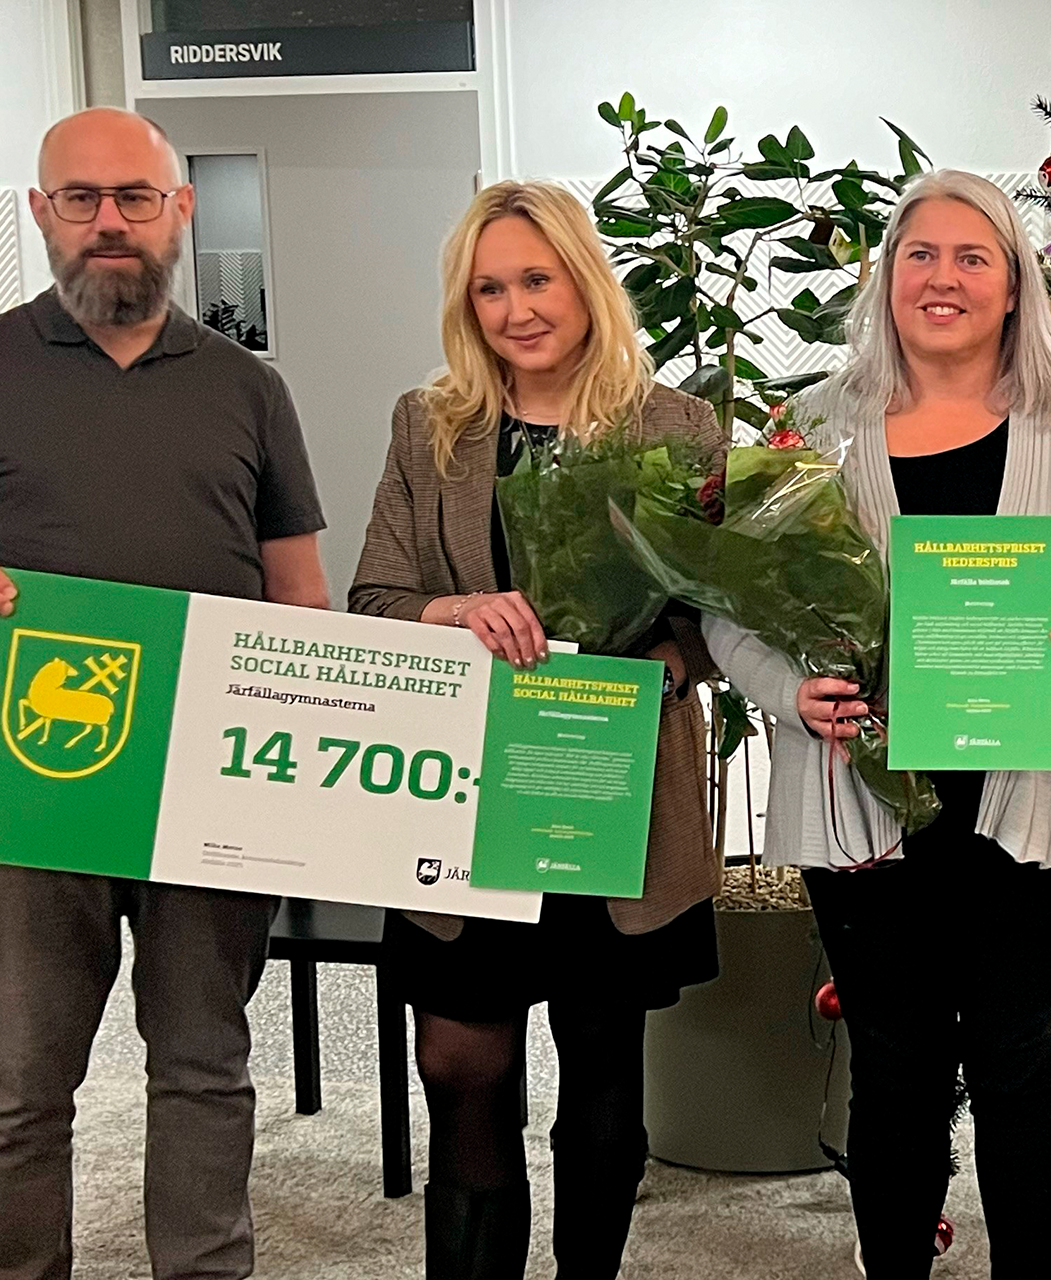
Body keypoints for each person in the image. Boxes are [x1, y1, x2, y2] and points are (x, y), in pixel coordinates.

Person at [703, 169, 1051, 1279]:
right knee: (895, 1067)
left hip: (1034, 798)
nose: (943, 278)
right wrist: (787, 692)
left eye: (974, 257)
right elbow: (727, 608)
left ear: (1014, 285)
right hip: (860, 797)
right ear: (887, 276)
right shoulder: (811, 430)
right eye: (920, 254)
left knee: (1020, 1063)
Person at [349, 180, 723, 1279]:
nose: (517, 309)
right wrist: (455, 610)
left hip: (611, 791)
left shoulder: (677, 427)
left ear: (584, 280)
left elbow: (718, 618)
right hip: (464, 800)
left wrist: (665, 669)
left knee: (602, 1065)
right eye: (490, 289)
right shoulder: (429, 427)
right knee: (459, 1067)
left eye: (537, 279)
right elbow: (374, 597)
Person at [0, 108, 328, 1280]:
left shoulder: (248, 386)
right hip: (37, 788)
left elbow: (299, 596)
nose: (109, 221)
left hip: (212, 782)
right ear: (39, 213)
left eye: (135, 196)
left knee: (203, 1065)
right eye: (80, 197)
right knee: (19, 1081)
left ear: (179, 210)